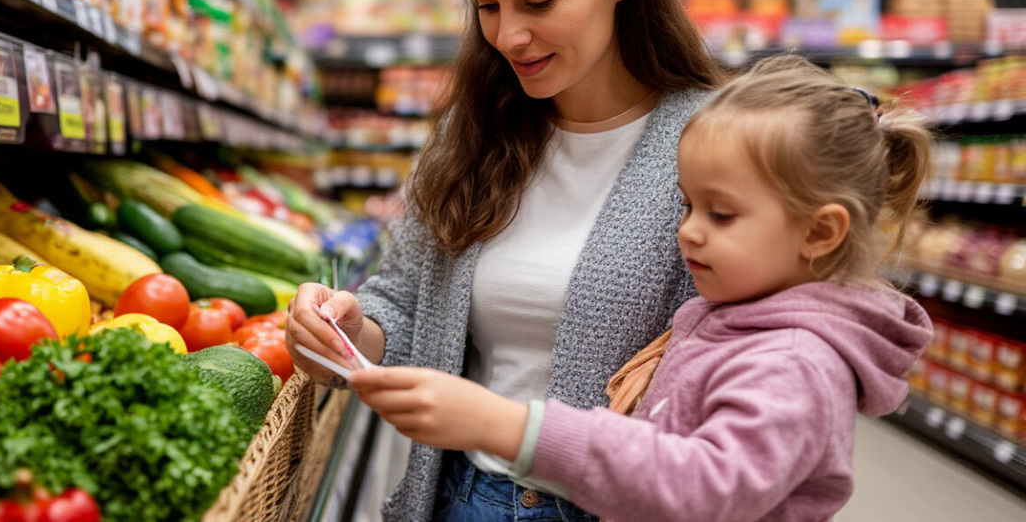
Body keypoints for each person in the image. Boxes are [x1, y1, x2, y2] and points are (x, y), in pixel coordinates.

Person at [287, 0, 722, 519]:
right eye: (487, 5)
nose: (510, 35)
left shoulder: (715, 145)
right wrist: (348, 333)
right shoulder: (472, 134)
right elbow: (403, 305)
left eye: (538, 1)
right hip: (459, 497)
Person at [350, 55, 935, 522]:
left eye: (722, 215)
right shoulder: (731, 316)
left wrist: (510, 426)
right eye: (686, 205)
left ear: (820, 230)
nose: (688, 231)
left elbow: (702, 485)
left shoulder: (795, 360)